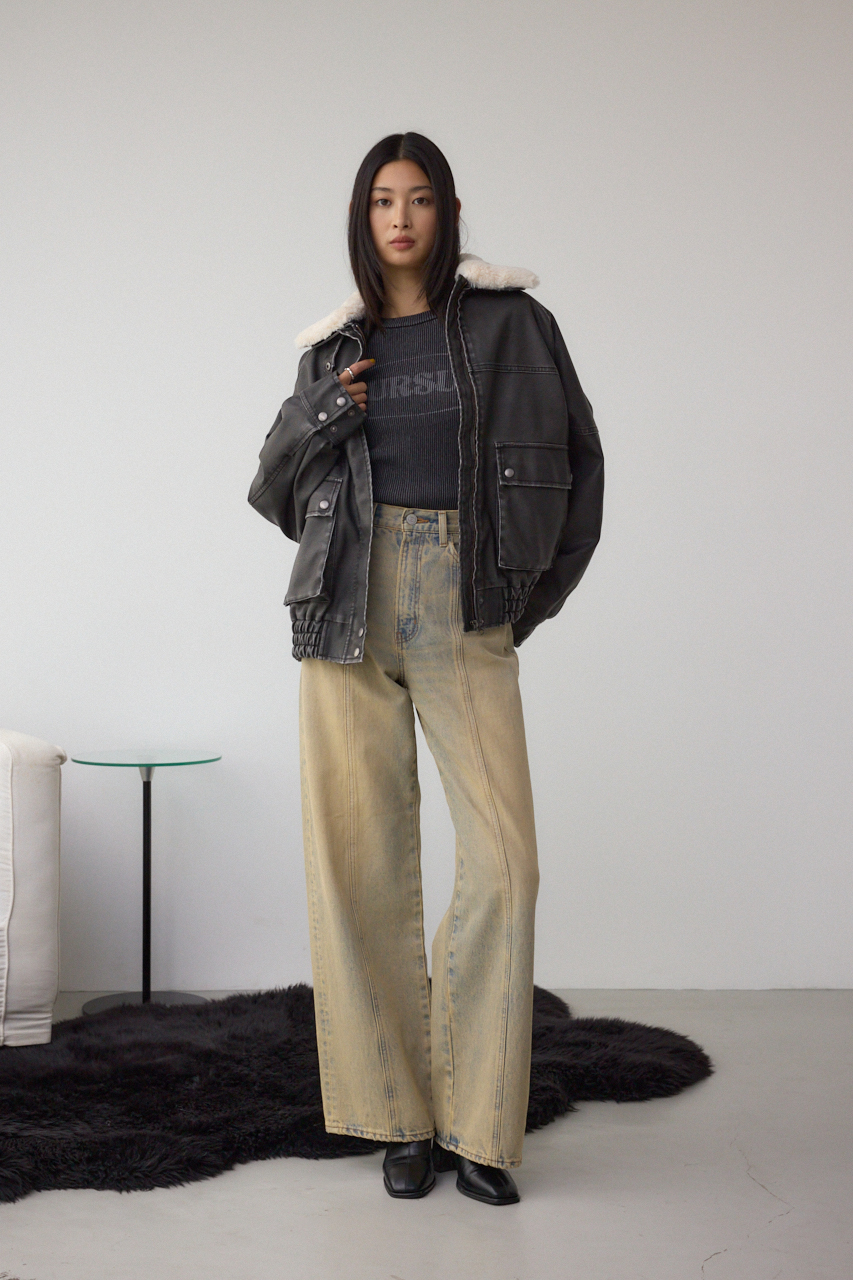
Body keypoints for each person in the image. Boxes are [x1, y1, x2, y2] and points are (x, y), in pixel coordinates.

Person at [248, 132, 604, 1205]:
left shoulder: (513, 324)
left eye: (418, 199)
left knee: (504, 863)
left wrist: (514, 605)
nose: (399, 219)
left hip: (464, 594)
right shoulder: (332, 349)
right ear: (362, 218)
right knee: (356, 862)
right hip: (344, 604)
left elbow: (578, 469)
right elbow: (273, 494)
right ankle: (397, 1117)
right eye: (380, 201)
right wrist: (326, 411)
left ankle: (478, 1122)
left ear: (447, 211)